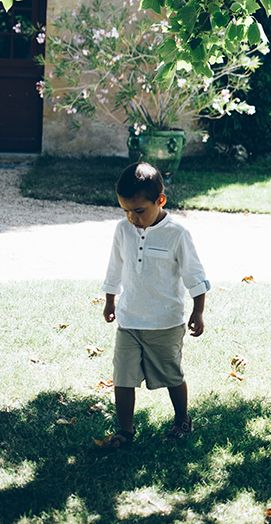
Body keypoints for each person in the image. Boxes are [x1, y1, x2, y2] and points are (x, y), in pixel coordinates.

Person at [101, 162, 210, 447]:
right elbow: (115, 267)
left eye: (138, 211)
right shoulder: (123, 230)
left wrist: (198, 311)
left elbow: (195, 275)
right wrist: (110, 300)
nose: (132, 217)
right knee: (122, 377)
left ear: (160, 200)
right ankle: (125, 431)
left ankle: (182, 420)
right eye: (125, 210)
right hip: (129, 321)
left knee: (171, 374)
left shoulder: (177, 234)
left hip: (165, 322)